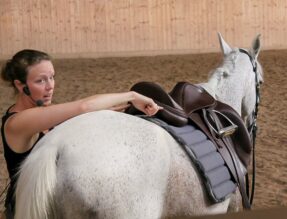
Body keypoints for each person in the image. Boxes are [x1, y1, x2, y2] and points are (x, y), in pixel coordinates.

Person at [0, 49, 161, 218]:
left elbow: (83, 107)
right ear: (20, 85)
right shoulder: (17, 123)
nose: (50, 86)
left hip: (57, 201)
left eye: (52, 77)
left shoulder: (42, 110)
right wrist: (132, 95)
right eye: (40, 81)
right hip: (31, 210)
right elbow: (83, 106)